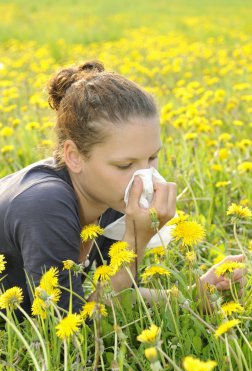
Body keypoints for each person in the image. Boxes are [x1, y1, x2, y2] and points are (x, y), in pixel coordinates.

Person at [0, 61, 245, 318]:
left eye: (151, 158)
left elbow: (116, 294)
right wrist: (135, 242)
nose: (145, 179)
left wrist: (195, 296)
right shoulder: (46, 205)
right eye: (125, 164)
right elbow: (68, 335)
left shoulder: (110, 198)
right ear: (73, 156)